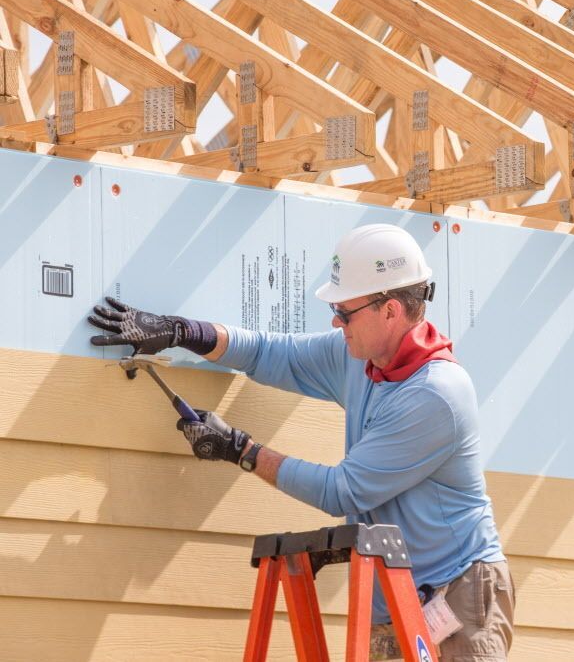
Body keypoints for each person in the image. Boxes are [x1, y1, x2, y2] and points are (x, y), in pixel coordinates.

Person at [88, 223, 515, 661]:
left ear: (389, 310)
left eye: (344, 312)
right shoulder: (361, 359)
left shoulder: (434, 394)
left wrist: (242, 451)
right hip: (397, 595)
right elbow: (272, 354)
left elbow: (342, 490)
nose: (336, 321)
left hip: (456, 594)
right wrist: (181, 331)